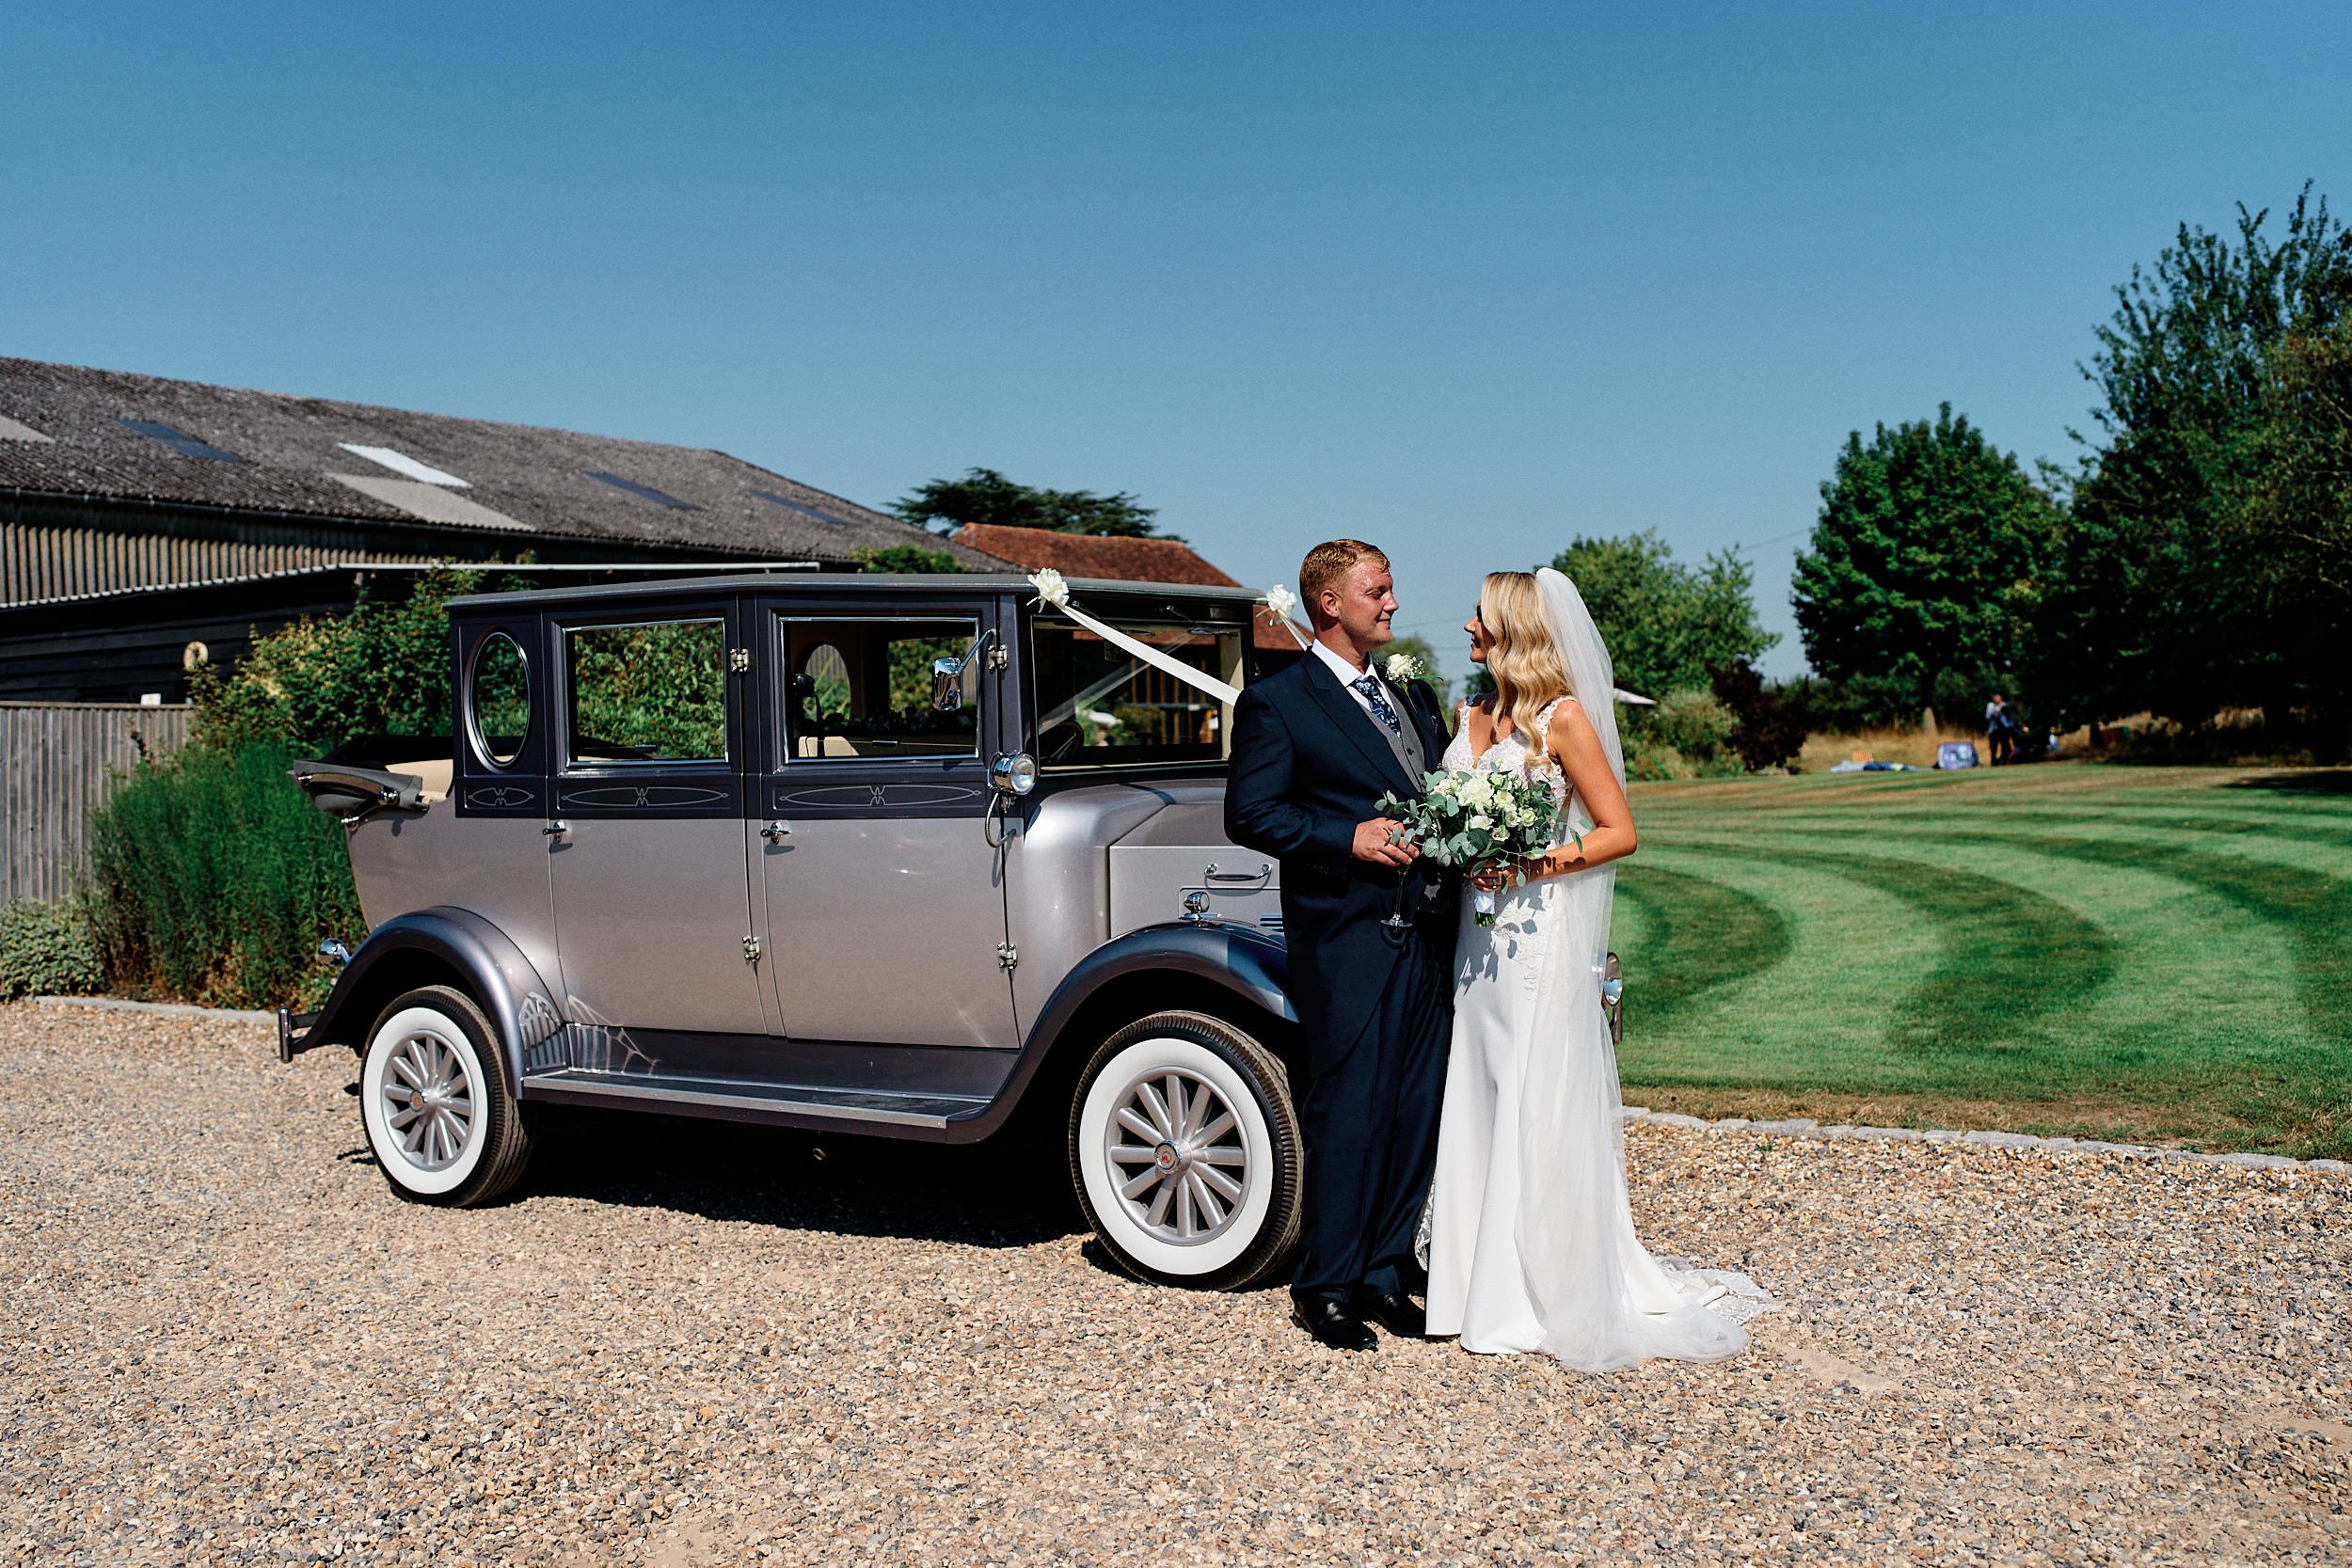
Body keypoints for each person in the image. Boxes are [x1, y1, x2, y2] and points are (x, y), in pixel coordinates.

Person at [1423, 568, 1765, 1369]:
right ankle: (1469, 1278)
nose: (1467, 624)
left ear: (1511, 627)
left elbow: (1619, 832)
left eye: (1478, 614)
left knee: (1533, 1086)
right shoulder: (1474, 711)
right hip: (1475, 942)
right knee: (1477, 1082)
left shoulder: (1562, 719)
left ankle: (1531, 1288)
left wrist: (1528, 868)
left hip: (1534, 932)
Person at [1225, 539, 1457, 1352]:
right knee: (1349, 1113)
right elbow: (1250, 814)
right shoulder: (1279, 702)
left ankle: (1388, 1272)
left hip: (1430, 937)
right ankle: (1326, 1285)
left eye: (1391, 588)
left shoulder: (1414, 697)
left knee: (1415, 1109)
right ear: (1330, 602)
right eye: (1379, 590)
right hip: (1347, 943)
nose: (1393, 603)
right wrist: (1346, 837)